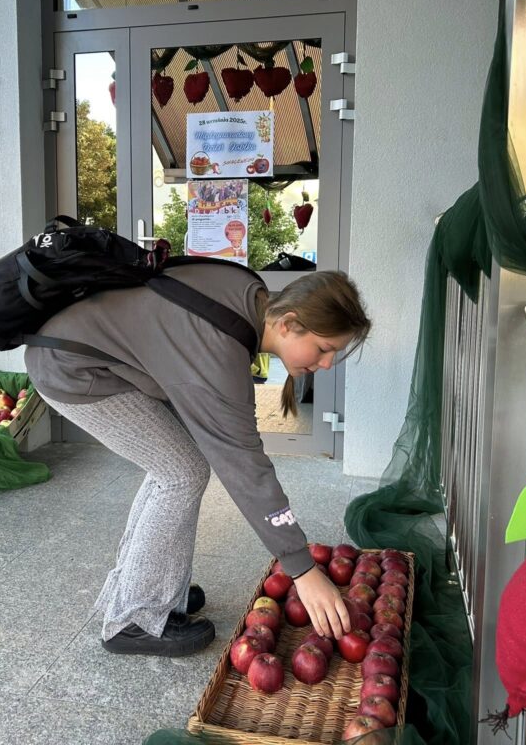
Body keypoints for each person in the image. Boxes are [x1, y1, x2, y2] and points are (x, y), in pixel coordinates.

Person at [24, 262, 372, 657]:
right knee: (181, 473)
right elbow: (246, 468)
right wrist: (302, 569)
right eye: (325, 349)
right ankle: (132, 620)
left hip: (80, 352)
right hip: (72, 367)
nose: (326, 364)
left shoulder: (249, 291)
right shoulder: (221, 349)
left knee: (175, 467)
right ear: (289, 323)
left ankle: (152, 589)